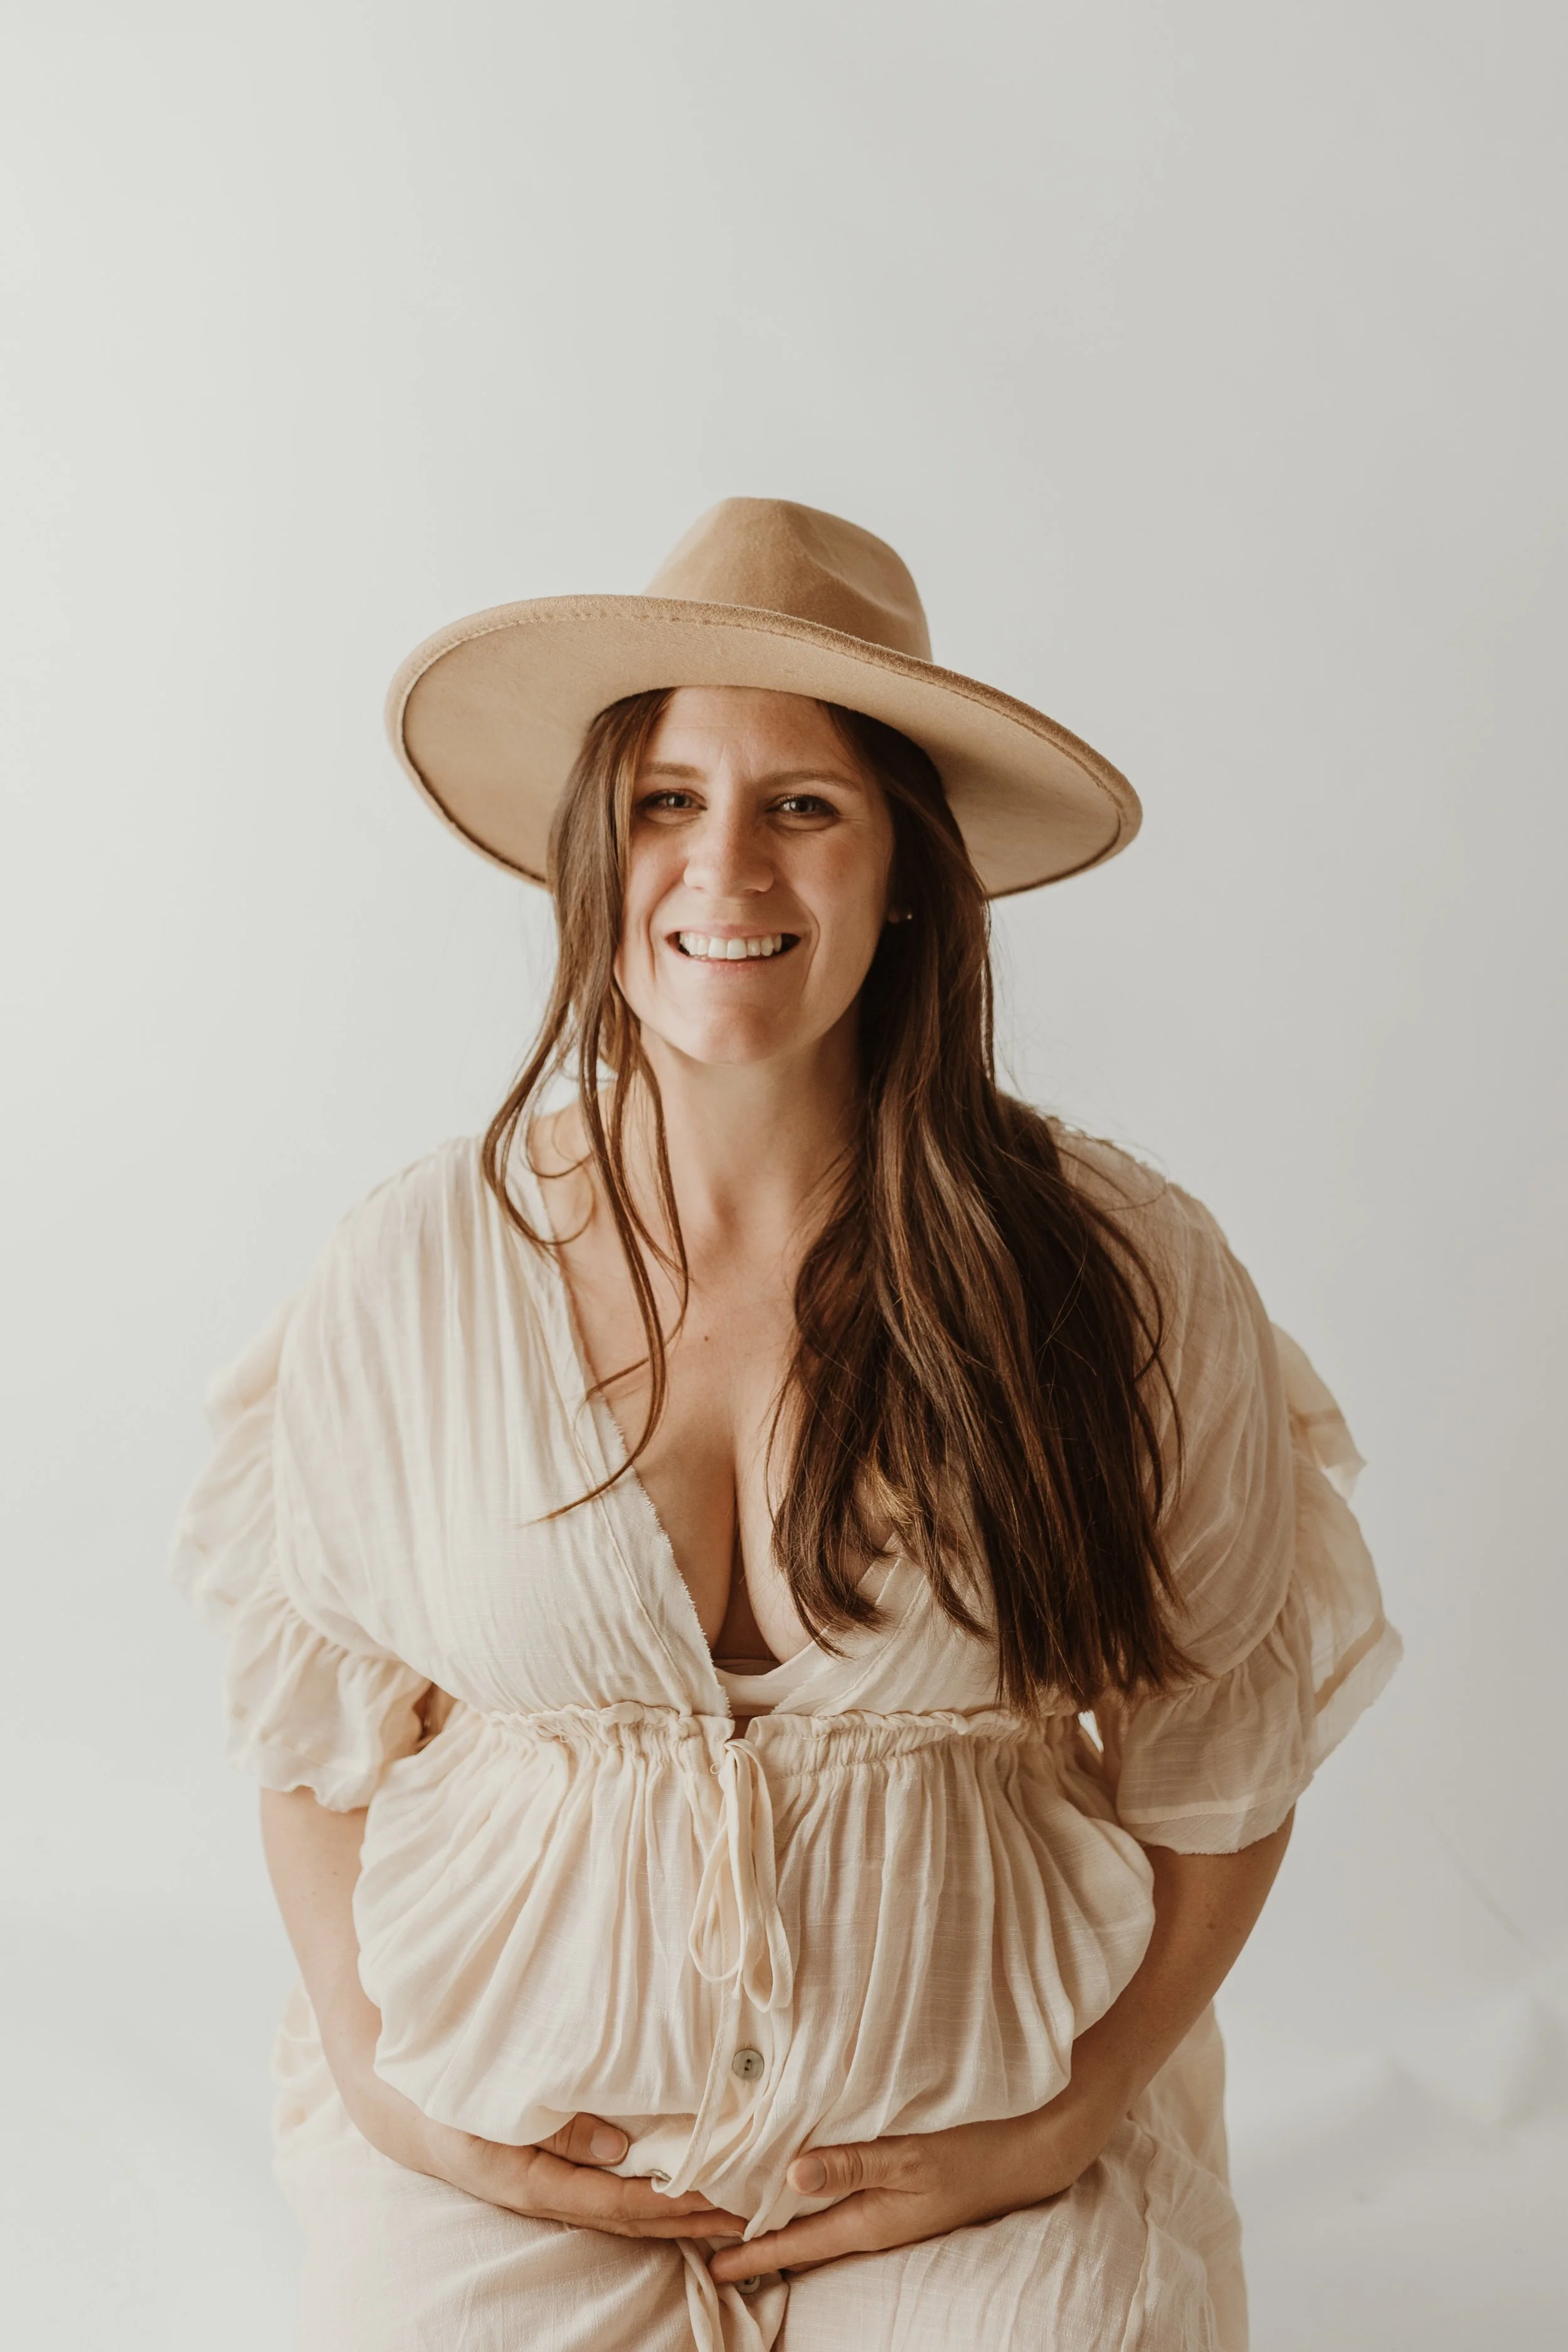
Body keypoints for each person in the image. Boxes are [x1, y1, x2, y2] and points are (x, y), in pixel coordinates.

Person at [172, 499, 1401, 2350]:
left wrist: (1070, 2118)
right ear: (595, 853)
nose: (724, 867)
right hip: (513, 2126)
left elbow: (1226, 1747)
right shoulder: (417, 1269)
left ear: (903, 866)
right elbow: (315, 1721)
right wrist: (379, 2086)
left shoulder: (1117, 1275)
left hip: (961, 2136)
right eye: (666, 799)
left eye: (802, 805)